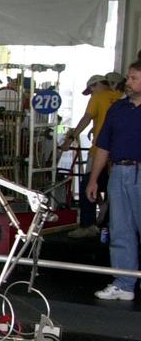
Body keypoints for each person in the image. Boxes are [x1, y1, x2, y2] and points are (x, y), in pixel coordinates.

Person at [86, 61, 141, 301]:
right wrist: (94, 179)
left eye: (133, 78)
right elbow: (103, 146)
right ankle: (124, 282)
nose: (127, 82)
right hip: (119, 171)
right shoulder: (117, 109)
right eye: (128, 78)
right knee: (120, 229)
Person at [61, 73, 122, 238]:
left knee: (89, 183)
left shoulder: (99, 96)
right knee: (113, 188)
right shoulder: (122, 98)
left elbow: (86, 118)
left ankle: (88, 224)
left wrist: (71, 137)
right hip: (120, 153)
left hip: (100, 150)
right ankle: (108, 222)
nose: (92, 93)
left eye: (92, 89)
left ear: (97, 85)